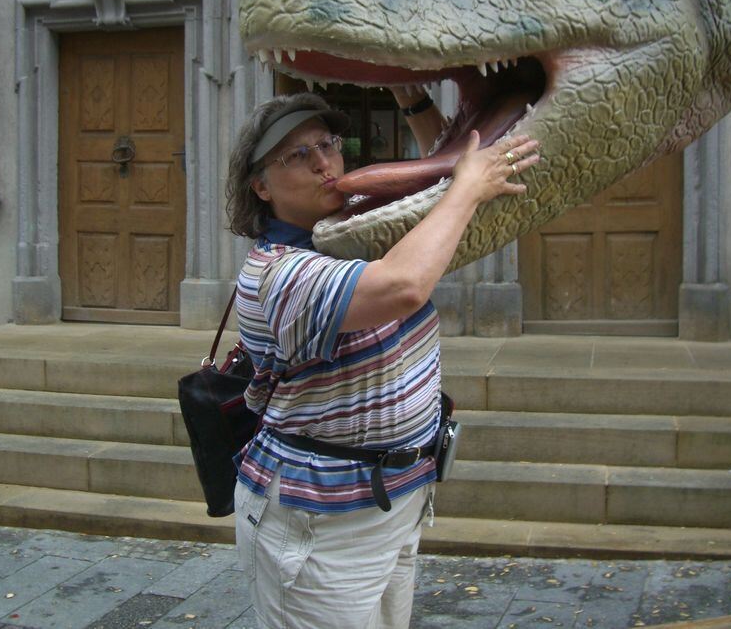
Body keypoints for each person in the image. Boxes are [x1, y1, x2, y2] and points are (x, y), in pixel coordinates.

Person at [224, 88, 540, 629]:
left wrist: (418, 103)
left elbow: (440, 175)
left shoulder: (350, 228)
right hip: (318, 526)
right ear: (260, 185)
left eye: (328, 144)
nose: (324, 162)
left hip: (396, 498)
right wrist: (466, 190)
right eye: (298, 155)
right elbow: (404, 286)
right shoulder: (277, 274)